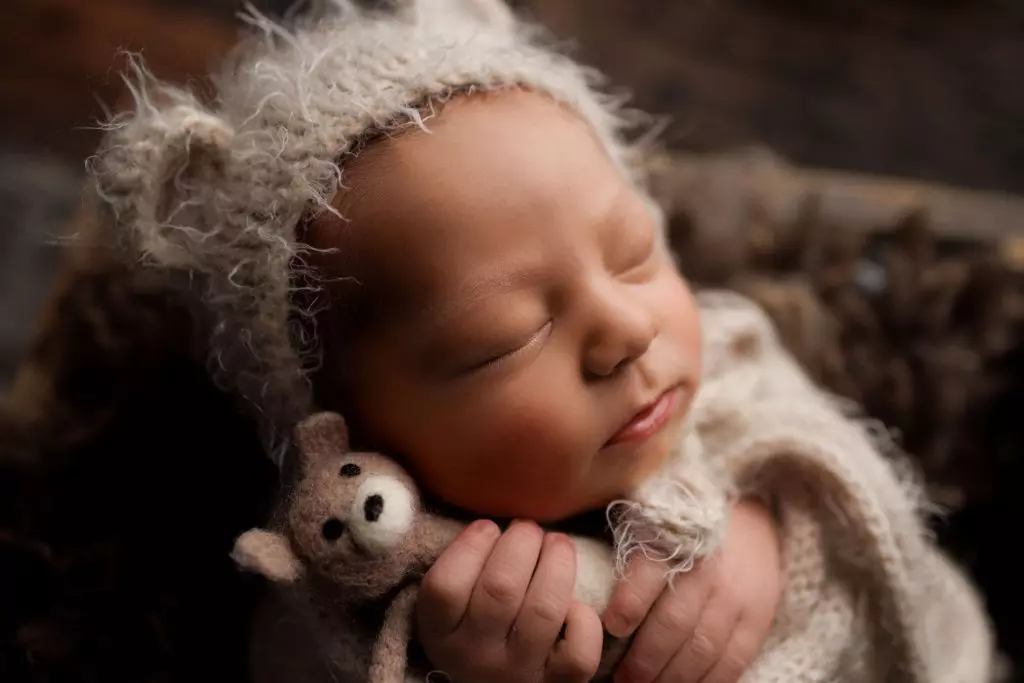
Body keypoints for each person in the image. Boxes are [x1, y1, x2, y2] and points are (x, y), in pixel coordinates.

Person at [86, 1, 995, 682]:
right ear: (346, 433)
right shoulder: (350, 580)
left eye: (634, 253)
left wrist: (777, 539)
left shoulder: (730, 366)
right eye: (509, 338)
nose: (627, 331)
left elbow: (858, 489)